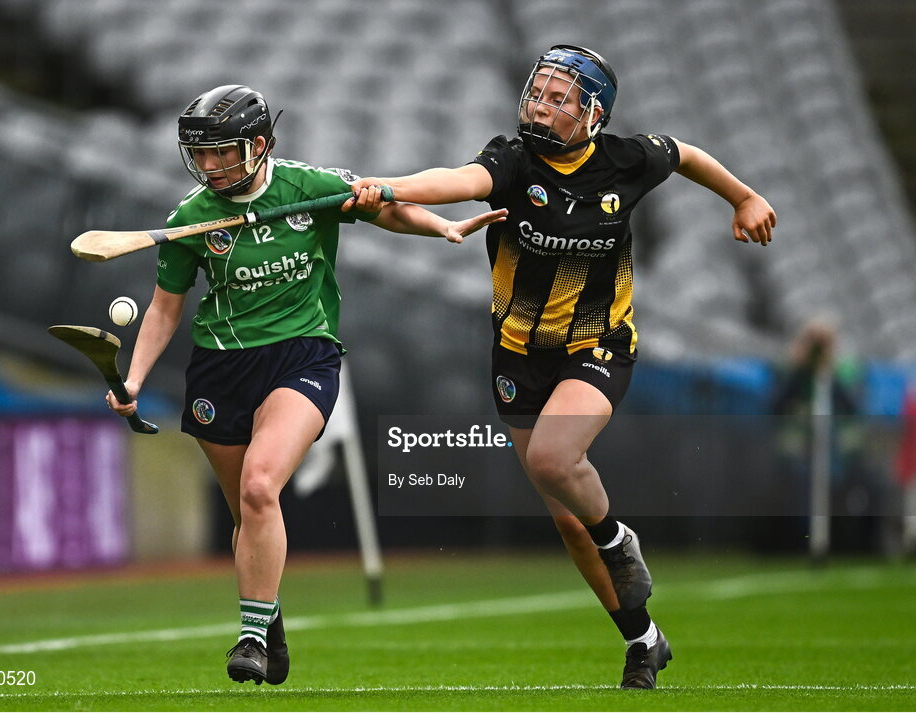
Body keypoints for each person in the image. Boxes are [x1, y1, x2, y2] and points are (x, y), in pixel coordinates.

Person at [351, 45, 776, 689]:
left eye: (558, 100)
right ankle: (643, 638)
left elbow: (686, 154)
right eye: (536, 93)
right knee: (565, 520)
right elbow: (459, 179)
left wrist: (743, 197)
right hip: (519, 356)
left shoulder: (627, 160)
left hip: (597, 344)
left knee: (554, 462)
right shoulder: (514, 159)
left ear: (592, 115)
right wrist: (392, 188)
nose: (540, 107)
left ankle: (616, 539)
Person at [106, 84, 506, 686]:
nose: (210, 166)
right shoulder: (190, 219)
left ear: (259, 144)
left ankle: (248, 636)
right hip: (220, 367)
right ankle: (269, 617)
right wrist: (134, 378)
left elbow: (385, 208)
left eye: (222, 153)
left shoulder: (309, 187)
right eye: (202, 155)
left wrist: (441, 229)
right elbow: (165, 309)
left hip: (303, 356)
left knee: (261, 487)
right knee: (245, 510)